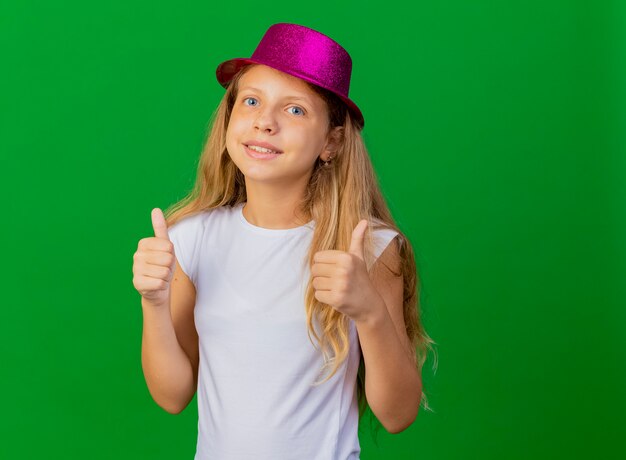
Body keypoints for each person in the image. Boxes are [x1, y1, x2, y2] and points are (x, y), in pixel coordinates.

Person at [132, 22, 435, 460]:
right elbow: (173, 396)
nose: (264, 122)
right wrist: (154, 303)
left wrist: (369, 311)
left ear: (332, 141)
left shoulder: (368, 249)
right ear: (230, 118)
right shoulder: (192, 240)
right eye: (251, 101)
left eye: (294, 110)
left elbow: (398, 414)